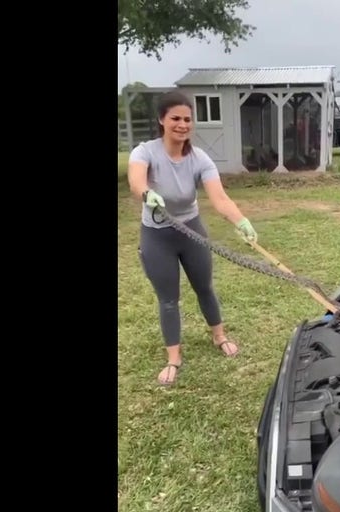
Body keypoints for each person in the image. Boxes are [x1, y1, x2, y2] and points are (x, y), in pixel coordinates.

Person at [127, 91, 258, 386]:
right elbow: (136, 182)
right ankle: (173, 357)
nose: (182, 124)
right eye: (175, 118)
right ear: (162, 120)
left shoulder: (200, 159)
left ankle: (219, 336)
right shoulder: (145, 151)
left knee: (204, 288)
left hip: (192, 231)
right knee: (168, 299)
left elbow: (219, 198)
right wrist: (147, 194)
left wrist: (240, 221)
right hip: (157, 236)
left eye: (187, 119)